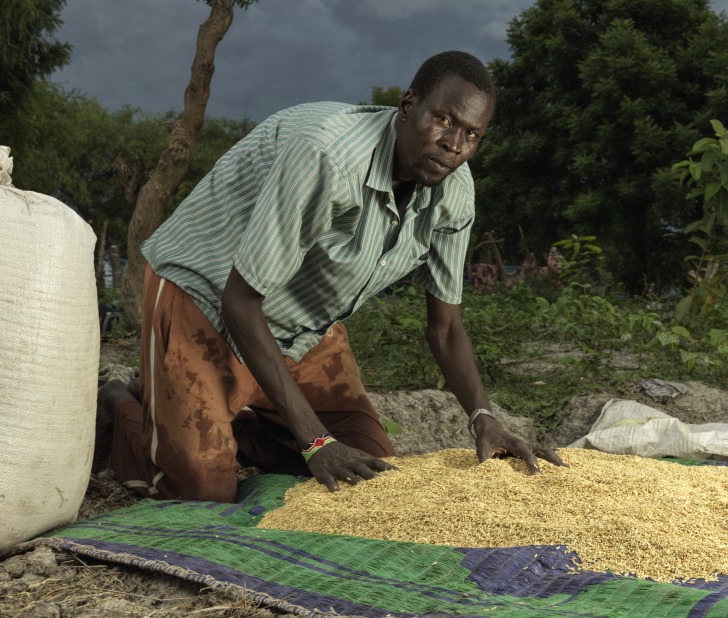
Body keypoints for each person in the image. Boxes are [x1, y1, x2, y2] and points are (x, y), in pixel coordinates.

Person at [98, 50, 564, 502]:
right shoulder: (328, 157)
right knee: (202, 488)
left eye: (472, 134)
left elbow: (445, 328)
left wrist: (483, 416)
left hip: (299, 319)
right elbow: (239, 301)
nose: (454, 144)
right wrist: (316, 442)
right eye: (444, 119)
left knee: (372, 466)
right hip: (205, 295)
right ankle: (124, 402)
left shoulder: (455, 192)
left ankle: (234, 418)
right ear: (407, 106)